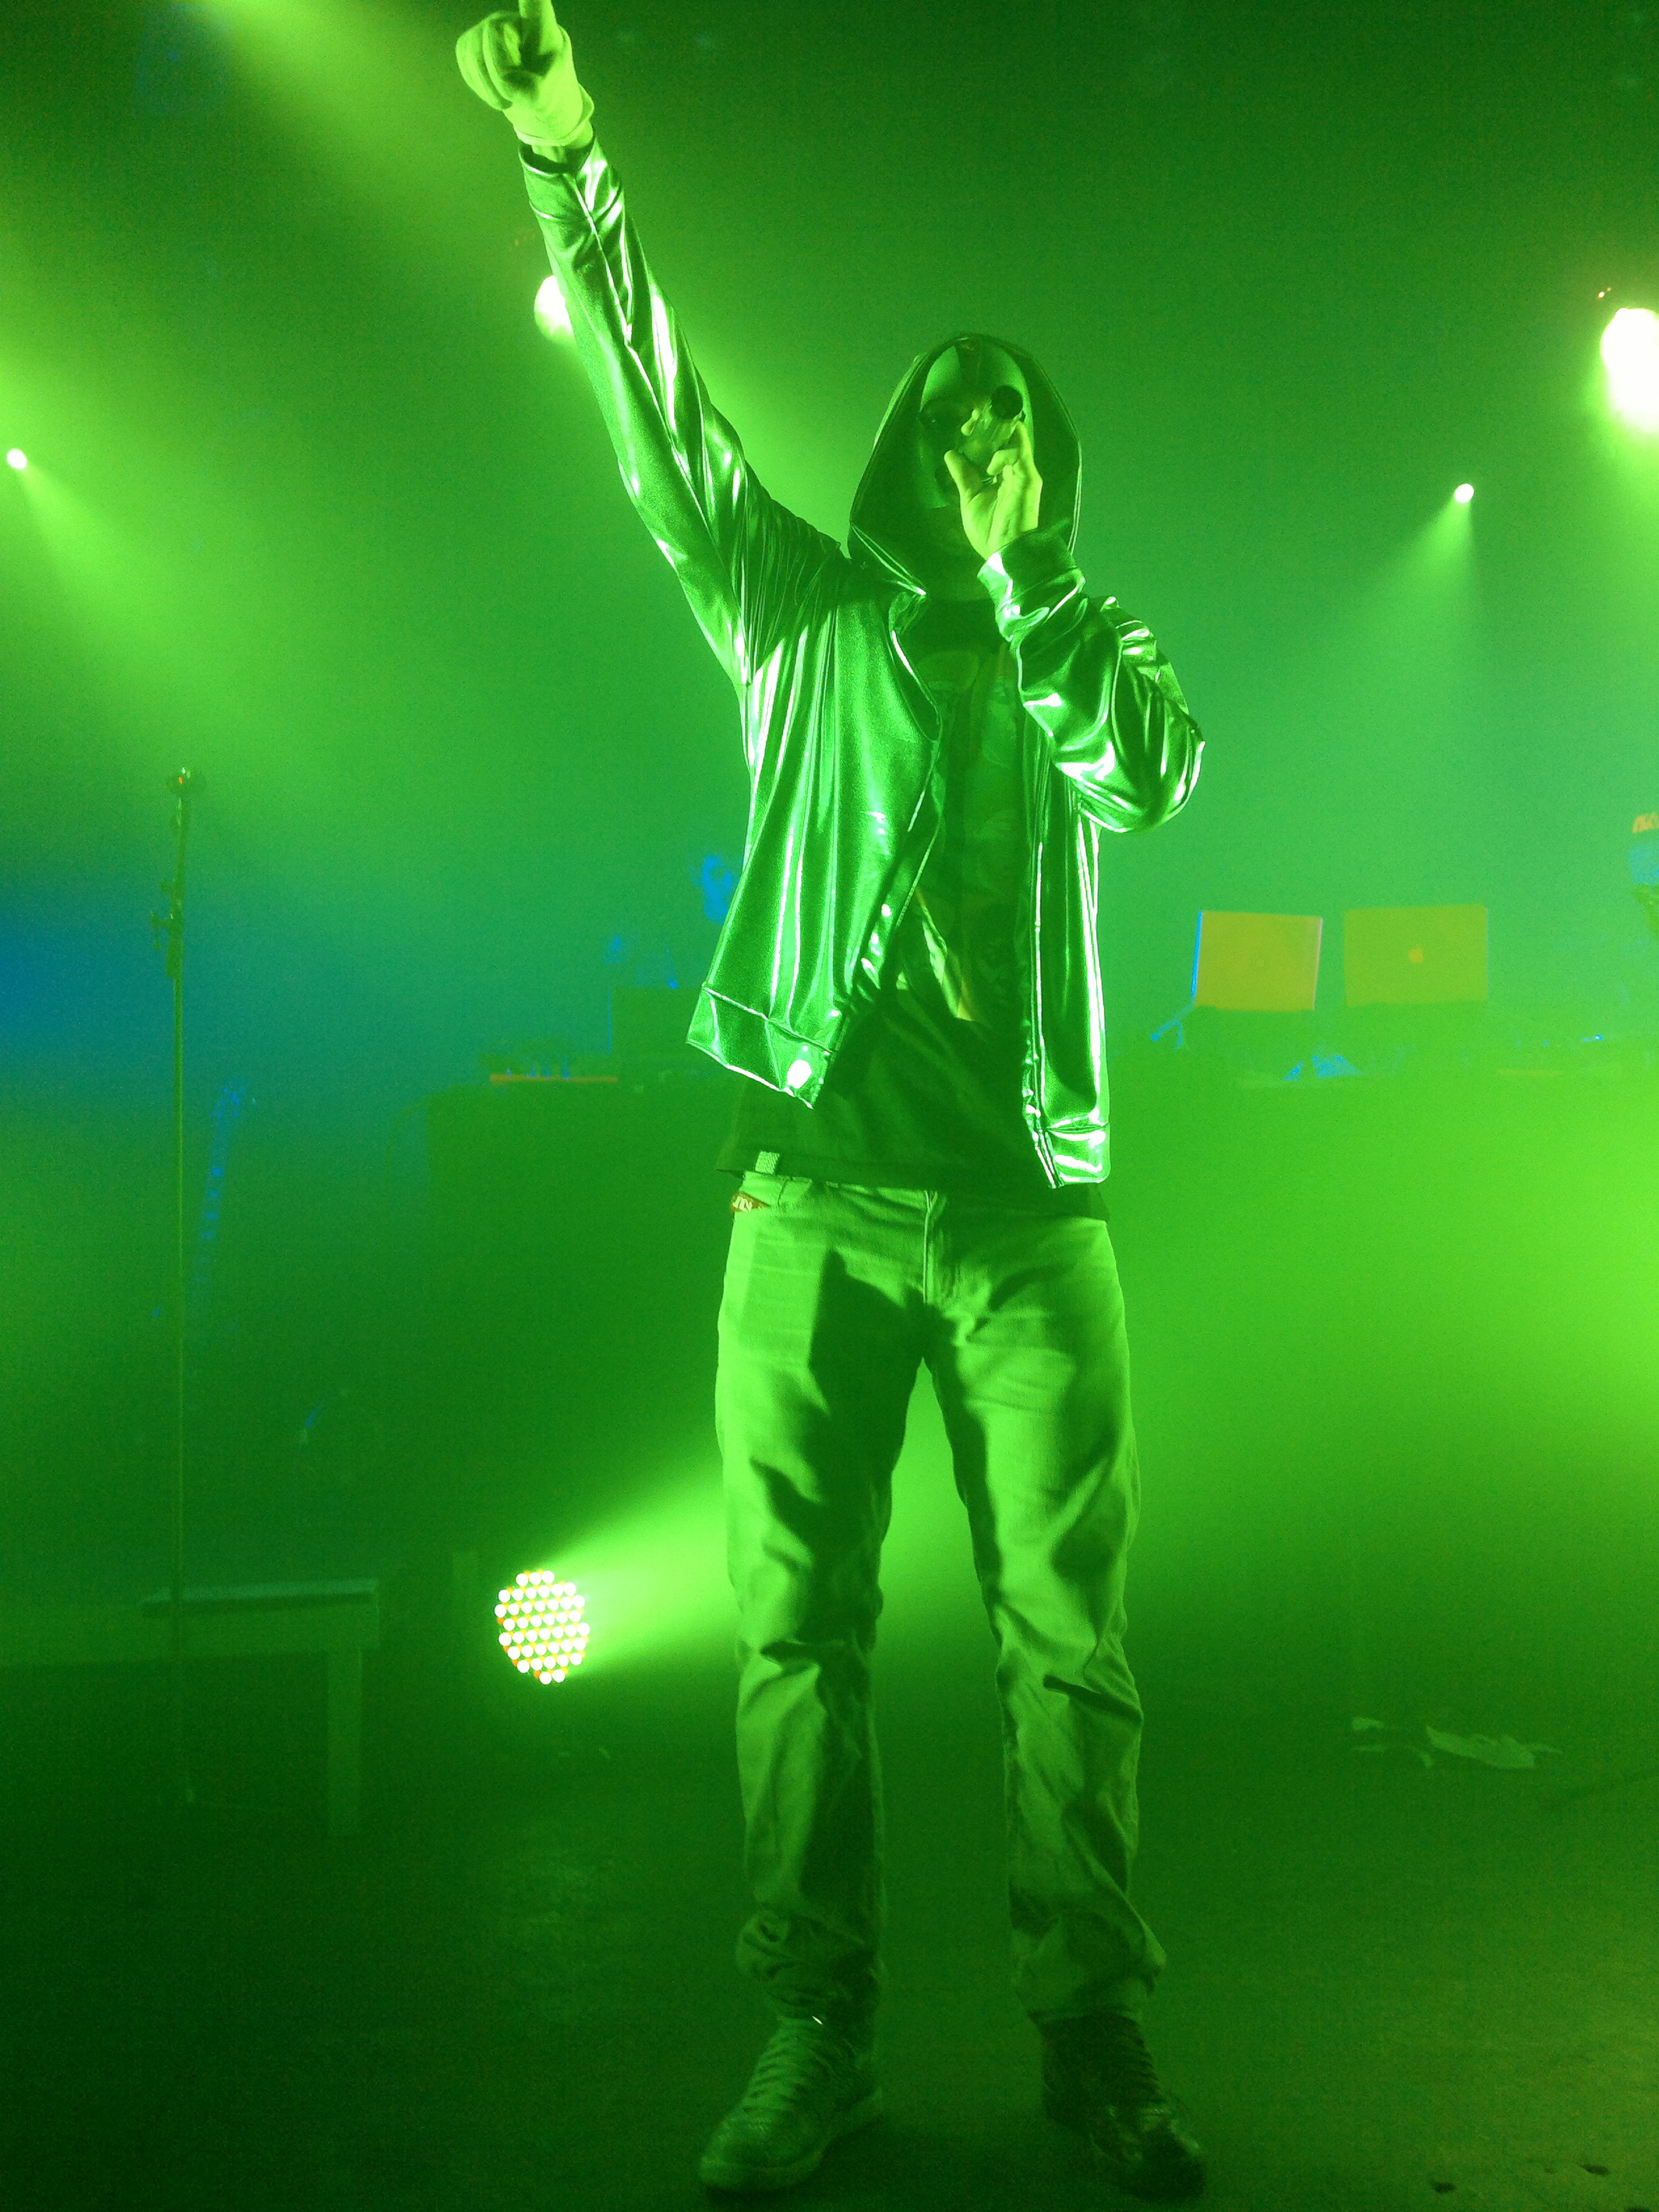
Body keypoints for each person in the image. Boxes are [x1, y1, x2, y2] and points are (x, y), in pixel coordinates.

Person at [457, 4, 1208, 2198]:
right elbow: (656, 414)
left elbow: (1152, 784)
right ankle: (817, 2029)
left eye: (1012, 418)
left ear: (1049, 462)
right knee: (797, 1634)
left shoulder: (1089, 644)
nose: (980, 440)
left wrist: (1032, 581)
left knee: (1071, 1643)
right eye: (951, 414)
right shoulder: (794, 611)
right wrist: (568, 165)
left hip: (1035, 1214)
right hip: (810, 1194)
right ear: (898, 444)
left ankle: (1092, 2033)